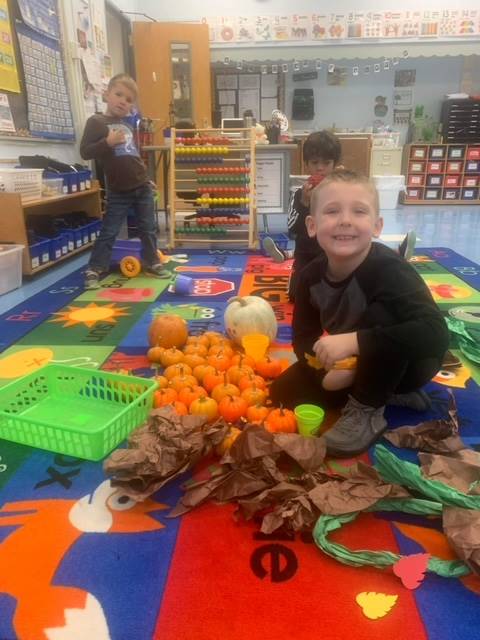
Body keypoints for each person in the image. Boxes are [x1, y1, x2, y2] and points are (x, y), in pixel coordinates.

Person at [270, 170, 449, 458]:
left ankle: (367, 408)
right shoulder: (309, 277)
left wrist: (355, 342)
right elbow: (304, 338)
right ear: (312, 225)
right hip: (359, 359)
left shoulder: (391, 271)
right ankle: (384, 391)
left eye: (359, 211)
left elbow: (435, 334)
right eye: (332, 211)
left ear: (377, 226)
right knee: (282, 393)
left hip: (412, 360)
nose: (345, 220)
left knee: (382, 312)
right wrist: (321, 374)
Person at [262, 131, 416, 300]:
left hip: (341, 251)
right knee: (298, 297)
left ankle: (395, 254)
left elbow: (361, 218)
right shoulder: (300, 193)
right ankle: (292, 265)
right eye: (314, 163)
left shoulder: (344, 190)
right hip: (310, 255)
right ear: (306, 164)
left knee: (363, 286)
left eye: (326, 163)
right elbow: (293, 229)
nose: (320, 168)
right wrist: (305, 204)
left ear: (335, 165)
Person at [80, 73, 168, 289]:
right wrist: (107, 142)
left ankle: (152, 262)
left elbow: (133, 156)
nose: (123, 101)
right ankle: (95, 268)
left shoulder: (126, 125)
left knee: (148, 227)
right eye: (119, 94)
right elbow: (85, 151)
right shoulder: (96, 122)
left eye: (129, 100)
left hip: (141, 187)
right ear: (106, 94)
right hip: (119, 191)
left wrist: (147, 179)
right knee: (110, 230)